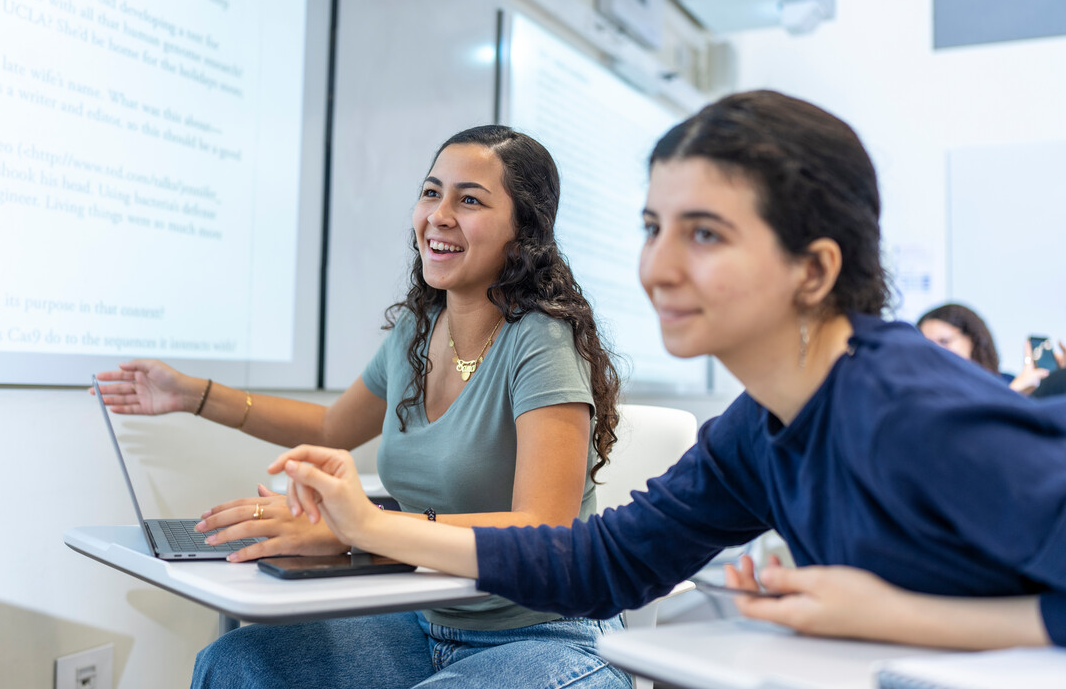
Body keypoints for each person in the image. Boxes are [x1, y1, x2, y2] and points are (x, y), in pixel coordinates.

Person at [271, 91, 1066, 651]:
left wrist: (895, 614)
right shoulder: (757, 432)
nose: (658, 267)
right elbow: (603, 562)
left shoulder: (910, 409)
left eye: (706, 235)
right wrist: (370, 527)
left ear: (814, 270)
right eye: (654, 227)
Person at [95, 124, 632, 689]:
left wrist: (364, 527)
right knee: (237, 665)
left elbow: (541, 527)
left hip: (547, 635)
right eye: (431, 192)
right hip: (427, 624)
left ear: (523, 232)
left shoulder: (542, 341)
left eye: (469, 199)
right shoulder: (419, 330)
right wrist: (194, 395)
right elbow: (332, 426)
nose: (439, 215)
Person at [917, 302, 1056, 394]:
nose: (935, 350)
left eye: (944, 341)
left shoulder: (1006, 381)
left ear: (972, 339)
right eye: (927, 344)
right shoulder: (923, 393)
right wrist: (1012, 394)